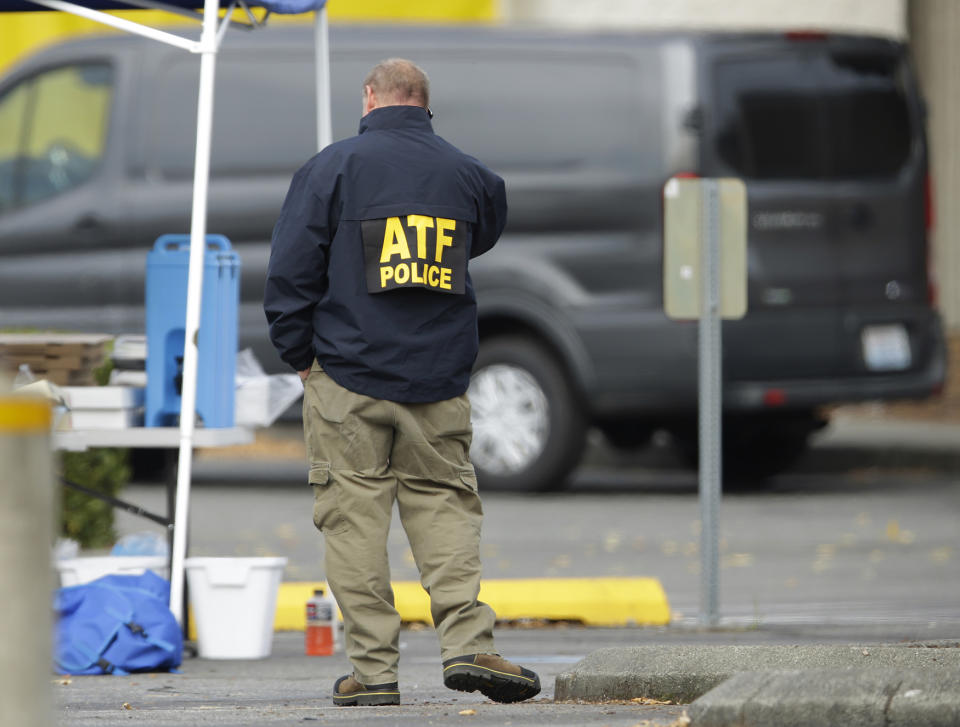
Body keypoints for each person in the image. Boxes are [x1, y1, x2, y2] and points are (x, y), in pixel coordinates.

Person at [263, 58, 540, 707]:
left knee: (352, 516)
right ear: (423, 103)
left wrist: (299, 352)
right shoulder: (469, 175)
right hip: (436, 375)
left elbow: (291, 270)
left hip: (347, 376)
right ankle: (470, 644)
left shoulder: (331, 169)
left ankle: (374, 671)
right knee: (443, 502)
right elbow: (484, 232)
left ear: (370, 98)